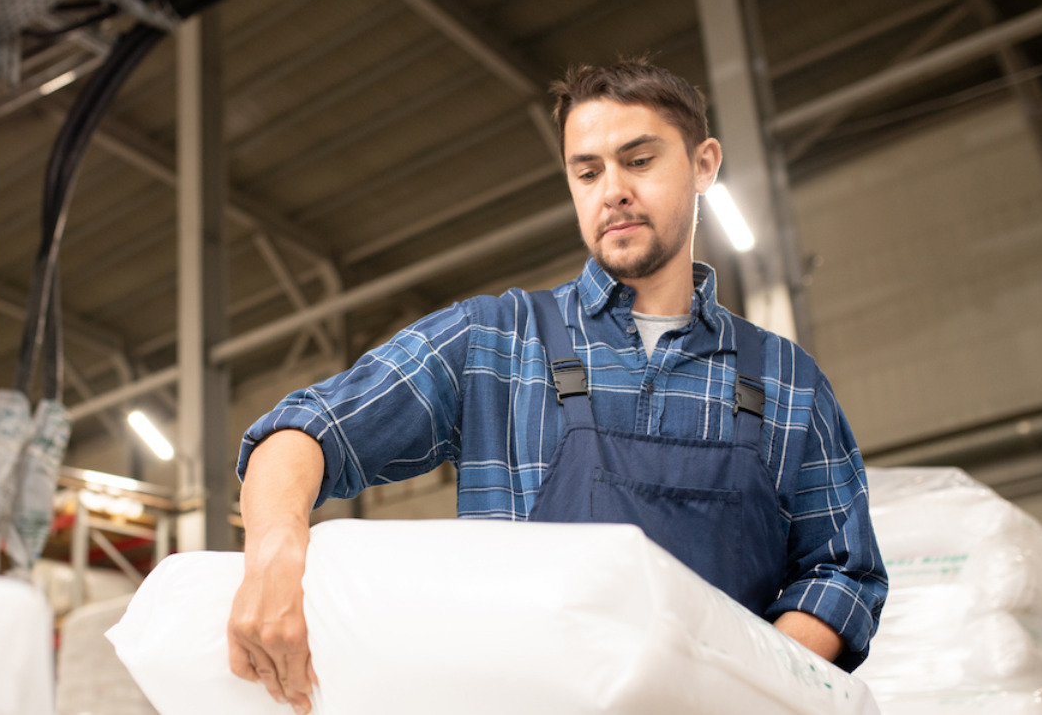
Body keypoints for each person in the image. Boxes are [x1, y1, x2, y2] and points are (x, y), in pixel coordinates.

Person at [228, 57, 888, 714]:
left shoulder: (784, 378)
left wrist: (729, 692)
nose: (613, 190)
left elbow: (842, 573)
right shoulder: (496, 341)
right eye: (589, 170)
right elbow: (302, 432)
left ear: (704, 165)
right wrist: (274, 558)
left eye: (639, 160)